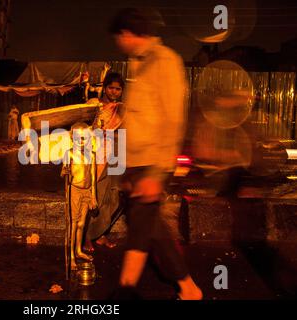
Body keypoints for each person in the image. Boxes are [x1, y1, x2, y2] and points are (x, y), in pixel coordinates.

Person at [108, 8, 202, 300]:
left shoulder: (165, 62)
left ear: (128, 34)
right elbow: (140, 117)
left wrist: (158, 173)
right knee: (152, 230)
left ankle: (126, 290)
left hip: (152, 164)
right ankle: (188, 289)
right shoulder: (137, 64)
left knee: (140, 230)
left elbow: (174, 120)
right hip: (136, 163)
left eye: (119, 36)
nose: (118, 42)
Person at [84, 72, 125, 251]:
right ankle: (86, 236)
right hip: (98, 151)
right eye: (111, 88)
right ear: (105, 88)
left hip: (117, 152)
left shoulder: (123, 109)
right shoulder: (94, 105)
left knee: (113, 196)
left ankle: (100, 234)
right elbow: (82, 125)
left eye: (118, 89)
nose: (114, 92)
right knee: (96, 195)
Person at [61, 122, 98, 271]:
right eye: (77, 138)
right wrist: (65, 171)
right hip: (74, 190)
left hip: (87, 191)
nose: (81, 141)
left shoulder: (91, 155)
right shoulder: (68, 154)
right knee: (73, 223)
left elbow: (93, 177)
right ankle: (71, 256)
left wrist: (93, 196)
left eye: (84, 138)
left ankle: (78, 250)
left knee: (82, 223)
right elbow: (63, 174)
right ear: (72, 138)